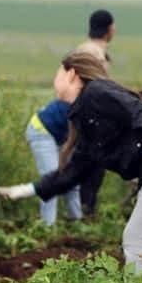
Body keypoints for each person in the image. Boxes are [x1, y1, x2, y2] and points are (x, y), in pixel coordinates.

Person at [0, 52, 142, 278]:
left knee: (137, 242)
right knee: (140, 243)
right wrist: (26, 190)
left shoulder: (96, 91)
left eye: (58, 73)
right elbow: (73, 173)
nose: (55, 80)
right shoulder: (86, 122)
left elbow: (136, 108)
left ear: (72, 74)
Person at [74, 9, 115, 217]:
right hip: (92, 114)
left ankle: (83, 209)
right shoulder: (96, 53)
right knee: (94, 164)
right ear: (110, 29)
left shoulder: (82, 48)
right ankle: (86, 210)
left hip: (81, 111)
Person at [25, 97, 89, 226]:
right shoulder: (88, 104)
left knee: (72, 179)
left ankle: (77, 225)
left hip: (64, 137)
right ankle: (47, 228)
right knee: (52, 182)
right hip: (42, 130)